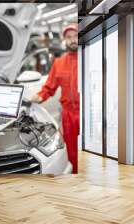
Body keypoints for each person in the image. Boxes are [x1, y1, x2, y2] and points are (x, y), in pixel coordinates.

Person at [31, 23, 79, 174]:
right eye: (69, 37)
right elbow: (49, 87)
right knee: (71, 151)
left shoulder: (93, 55)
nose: (73, 40)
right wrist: (38, 97)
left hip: (87, 113)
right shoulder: (59, 63)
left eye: (76, 35)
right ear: (65, 40)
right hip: (69, 115)